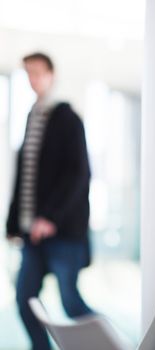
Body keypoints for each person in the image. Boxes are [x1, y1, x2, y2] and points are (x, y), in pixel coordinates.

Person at [6, 52, 93, 350]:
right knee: (25, 300)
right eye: (28, 73)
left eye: (39, 72)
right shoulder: (32, 116)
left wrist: (50, 217)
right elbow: (25, 176)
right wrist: (13, 222)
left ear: (51, 75)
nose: (33, 79)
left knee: (71, 303)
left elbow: (78, 174)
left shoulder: (67, 118)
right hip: (33, 233)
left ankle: (113, 344)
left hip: (63, 233)